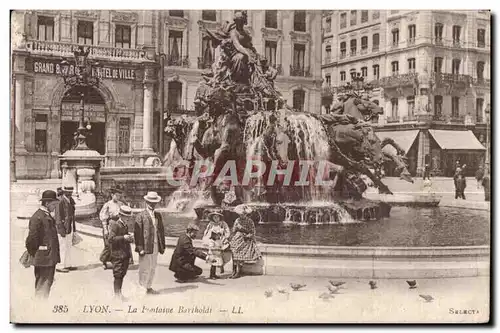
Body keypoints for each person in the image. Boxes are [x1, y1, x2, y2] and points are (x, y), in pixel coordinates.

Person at [25, 190, 60, 299]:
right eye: (54, 204)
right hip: (44, 258)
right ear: (47, 203)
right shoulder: (38, 217)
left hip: (48, 257)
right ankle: (40, 310)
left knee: (46, 284)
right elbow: (31, 240)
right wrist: (35, 253)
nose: (55, 207)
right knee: (43, 286)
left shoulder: (45, 215)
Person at [134, 191, 166, 295]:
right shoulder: (141, 215)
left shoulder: (158, 215)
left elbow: (161, 231)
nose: (152, 204)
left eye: (154, 202)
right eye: (150, 202)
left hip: (156, 245)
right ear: (146, 202)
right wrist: (140, 248)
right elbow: (137, 234)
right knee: (144, 268)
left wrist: (162, 246)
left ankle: (148, 287)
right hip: (145, 246)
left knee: (153, 267)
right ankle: (142, 287)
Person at [108, 206, 135, 301]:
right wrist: (124, 237)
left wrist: (129, 238)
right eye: (125, 216)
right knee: (118, 275)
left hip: (124, 254)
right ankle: (117, 296)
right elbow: (111, 239)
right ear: (120, 215)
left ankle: (119, 293)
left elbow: (123, 238)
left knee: (122, 274)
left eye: (128, 217)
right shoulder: (116, 225)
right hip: (117, 255)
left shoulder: (124, 225)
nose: (127, 218)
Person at [229, 206, 261, 279]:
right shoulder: (237, 220)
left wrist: (246, 234)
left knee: (240, 252)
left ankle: (238, 271)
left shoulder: (250, 221)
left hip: (245, 238)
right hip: (237, 237)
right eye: (240, 214)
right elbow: (233, 230)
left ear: (246, 213)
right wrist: (236, 229)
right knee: (233, 250)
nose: (242, 215)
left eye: (243, 214)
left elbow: (252, 231)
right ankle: (233, 271)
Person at [99, 186, 125, 269]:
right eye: (116, 195)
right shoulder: (107, 204)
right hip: (109, 225)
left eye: (119, 196)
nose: (118, 197)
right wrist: (105, 229)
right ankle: (104, 261)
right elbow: (103, 217)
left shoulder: (121, 204)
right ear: (112, 195)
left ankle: (116, 262)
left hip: (118, 226)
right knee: (108, 245)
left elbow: (125, 215)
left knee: (117, 245)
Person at [54, 186, 76, 273]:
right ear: (64, 192)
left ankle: (67, 264)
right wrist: (60, 229)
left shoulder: (70, 201)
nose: (70, 194)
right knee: (62, 247)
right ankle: (60, 265)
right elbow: (58, 217)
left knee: (68, 246)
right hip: (63, 228)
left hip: (69, 227)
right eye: (68, 192)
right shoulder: (60, 202)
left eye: (71, 192)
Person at [202, 212, 231, 277]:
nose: (216, 218)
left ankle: (220, 268)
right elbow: (206, 232)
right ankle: (212, 274)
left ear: (219, 217)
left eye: (217, 217)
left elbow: (227, 231)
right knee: (213, 258)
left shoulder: (223, 224)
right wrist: (207, 240)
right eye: (214, 217)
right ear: (212, 218)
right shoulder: (210, 224)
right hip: (212, 242)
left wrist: (225, 237)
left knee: (221, 257)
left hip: (220, 242)